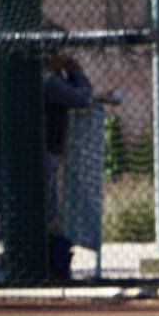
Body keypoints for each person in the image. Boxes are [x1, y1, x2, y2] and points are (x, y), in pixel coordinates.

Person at [42, 46, 119, 281]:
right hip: (43, 153)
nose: (64, 58)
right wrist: (76, 71)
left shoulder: (52, 79)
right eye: (59, 54)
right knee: (49, 212)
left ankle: (53, 264)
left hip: (50, 152)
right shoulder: (47, 80)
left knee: (52, 210)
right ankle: (50, 266)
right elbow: (80, 97)